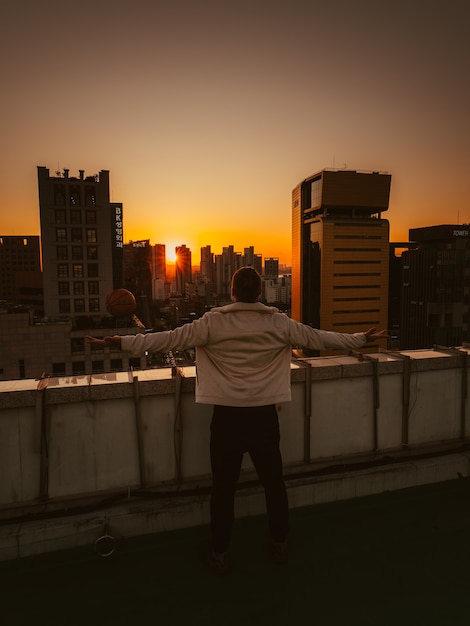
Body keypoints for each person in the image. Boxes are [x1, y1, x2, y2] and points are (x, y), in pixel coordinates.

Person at [87, 267, 387, 574]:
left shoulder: (212, 322)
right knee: (274, 485)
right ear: (259, 292)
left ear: (232, 291)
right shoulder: (277, 323)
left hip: (227, 418)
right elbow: (318, 337)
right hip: (264, 417)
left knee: (223, 489)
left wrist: (120, 343)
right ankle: (280, 544)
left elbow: (167, 340)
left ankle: (220, 552)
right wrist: (360, 339)